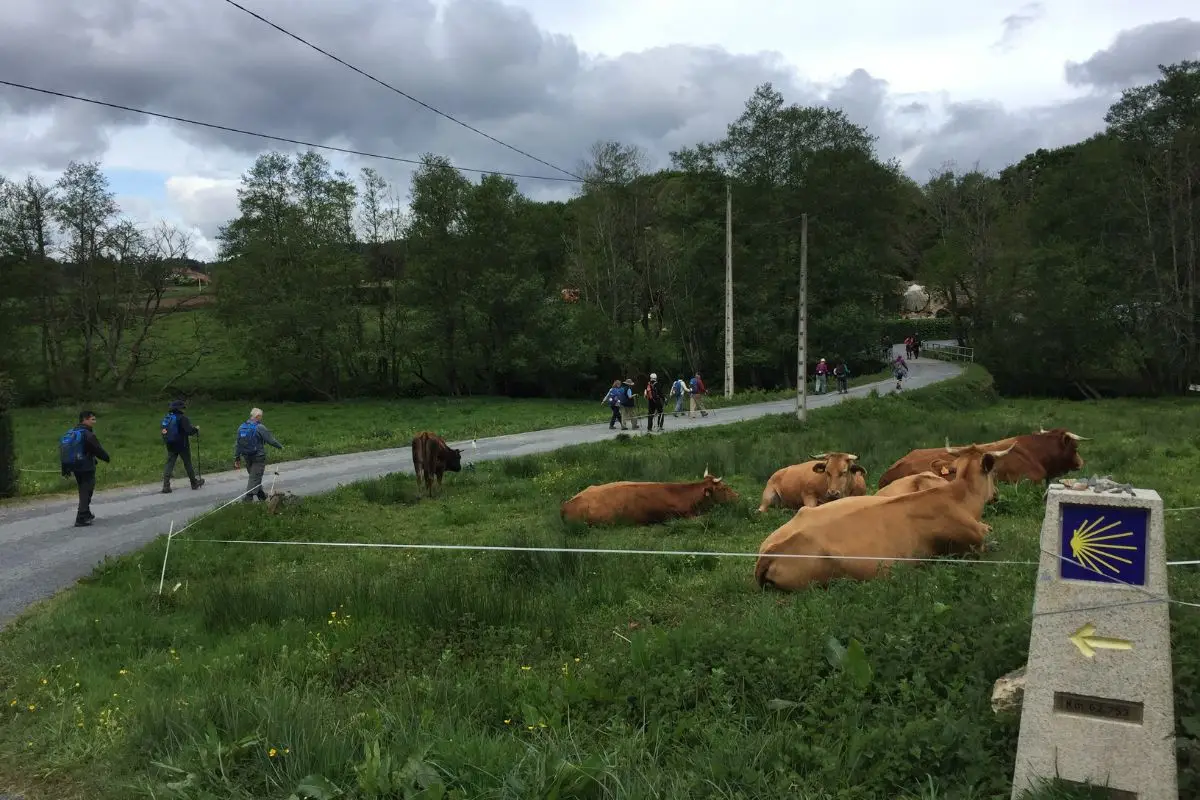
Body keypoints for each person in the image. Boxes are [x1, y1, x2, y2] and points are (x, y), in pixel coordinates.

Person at [59, 410, 111, 527]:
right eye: (92, 419)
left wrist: (65, 468)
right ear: (85, 419)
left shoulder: (72, 432)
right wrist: (106, 458)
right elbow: (97, 449)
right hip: (86, 466)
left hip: (75, 466)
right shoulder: (88, 434)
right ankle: (81, 517)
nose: (94, 421)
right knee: (86, 490)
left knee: (83, 488)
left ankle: (86, 513)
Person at [233, 407, 284, 503]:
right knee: (255, 477)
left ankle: (262, 496)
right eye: (261, 416)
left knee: (255, 476)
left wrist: (237, 457)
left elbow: (238, 444)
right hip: (258, 456)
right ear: (258, 416)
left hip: (246, 456)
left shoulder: (241, 427)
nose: (261, 418)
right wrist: (281, 447)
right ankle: (248, 499)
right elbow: (271, 440)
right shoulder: (259, 427)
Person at [160, 399, 205, 493]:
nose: (184, 410)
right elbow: (189, 431)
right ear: (179, 409)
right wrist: (196, 429)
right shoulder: (183, 418)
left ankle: (166, 486)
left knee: (169, 464)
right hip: (182, 444)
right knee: (187, 463)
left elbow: (164, 432)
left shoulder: (167, 418)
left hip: (170, 444)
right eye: (183, 408)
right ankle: (194, 483)